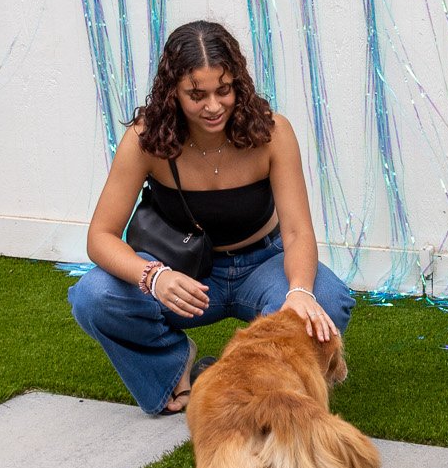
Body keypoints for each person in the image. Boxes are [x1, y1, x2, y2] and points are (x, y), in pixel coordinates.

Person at [71, 20, 354, 415]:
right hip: (184, 273)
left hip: (263, 264)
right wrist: (154, 277)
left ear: (238, 84)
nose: (213, 106)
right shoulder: (145, 138)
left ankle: (259, 388)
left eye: (224, 90)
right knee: (94, 296)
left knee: (328, 301)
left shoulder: (274, 133)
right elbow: (100, 237)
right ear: (173, 92)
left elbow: (296, 230)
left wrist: (300, 291)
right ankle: (175, 368)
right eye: (196, 95)